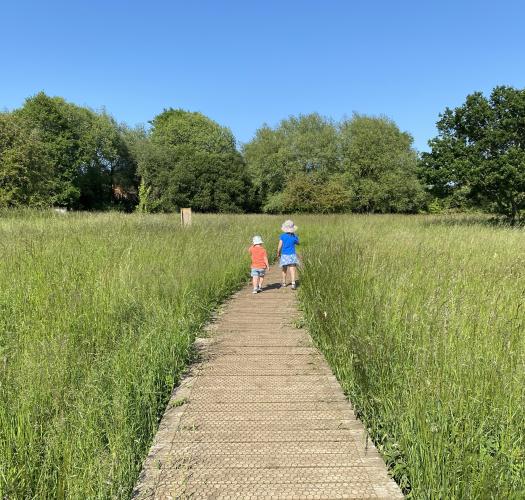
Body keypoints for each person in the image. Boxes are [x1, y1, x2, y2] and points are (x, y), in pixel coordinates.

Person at [277, 220, 299, 289]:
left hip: (284, 255)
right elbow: (298, 243)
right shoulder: (294, 236)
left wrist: (278, 252)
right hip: (292, 255)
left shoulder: (282, 236)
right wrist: (295, 237)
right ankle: (293, 283)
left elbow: (280, 245)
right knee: (292, 269)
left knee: (284, 269)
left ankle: (284, 282)